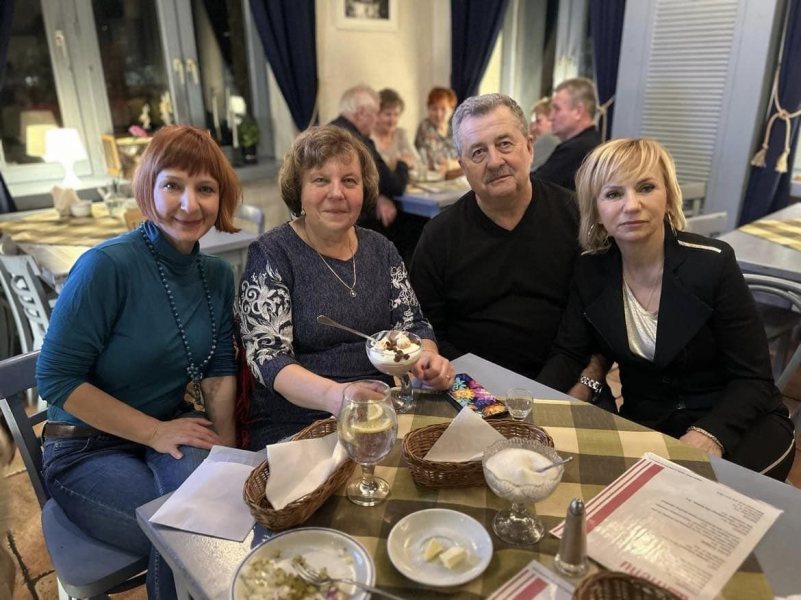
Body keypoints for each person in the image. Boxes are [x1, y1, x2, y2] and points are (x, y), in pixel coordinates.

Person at [36, 125, 239, 598]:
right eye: (173, 185)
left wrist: (228, 458)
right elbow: (55, 378)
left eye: (205, 188)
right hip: (85, 448)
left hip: (168, 427)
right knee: (187, 531)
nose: (189, 204)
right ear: (148, 187)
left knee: (224, 508)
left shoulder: (217, 274)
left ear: (220, 197)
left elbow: (218, 370)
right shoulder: (106, 266)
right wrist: (154, 432)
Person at [537, 138, 795, 480]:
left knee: (700, 501)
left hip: (738, 420)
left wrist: (709, 434)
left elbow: (754, 378)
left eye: (646, 188)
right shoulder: (590, 269)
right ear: (596, 210)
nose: (632, 205)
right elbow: (569, 353)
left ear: (669, 197)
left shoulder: (713, 264)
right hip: (650, 422)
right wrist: (531, 406)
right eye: (613, 194)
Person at [237, 125, 454, 449]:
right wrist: (336, 396)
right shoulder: (272, 254)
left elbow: (414, 325)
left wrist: (427, 358)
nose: (337, 193)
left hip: (381, 407)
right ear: (299, 189)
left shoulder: (381, 249)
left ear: (363, 189)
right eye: (321, 180)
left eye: (349, 181)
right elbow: (268, 358)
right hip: (300, 419)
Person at [410, 93, 585, 380]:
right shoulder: (439, 236)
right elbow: (427, 328)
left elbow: (591, 318)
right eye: (478, 152)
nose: (494, 161)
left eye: (504, 144)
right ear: (463, 166)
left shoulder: (577, 216)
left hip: (566, 379)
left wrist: (574, 385)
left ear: (529, 147)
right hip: (468, 384)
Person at [533, 77, 602, 191]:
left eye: (557, 109)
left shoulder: (576, 149)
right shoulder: (591, 143)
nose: (551, 117)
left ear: (578, 111)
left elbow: (535, 187)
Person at [371, 88, 419, 171]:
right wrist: (400, 162)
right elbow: (372, 168)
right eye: (388, 114)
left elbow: (418, 162)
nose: (392, 120)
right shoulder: (369, 137)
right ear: (376, 114)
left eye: (396, 114)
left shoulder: (401, 134)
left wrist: (397, 163)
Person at [414, 86, 459, 173]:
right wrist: (454, 164)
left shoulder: (455, 130)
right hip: (431, 177)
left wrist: (451, 165)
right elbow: (434, 162)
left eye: (443, 109)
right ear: (428, 109)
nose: (438, 114)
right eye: (434, 109)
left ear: (451, 110)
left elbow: (467, 160)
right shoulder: (425, 127)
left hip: (455, 176)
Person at [529, 97, 559, 171]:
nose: (533, 128)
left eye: (538, 121)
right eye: (533, 123)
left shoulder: (549, 141)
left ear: (552, 120)